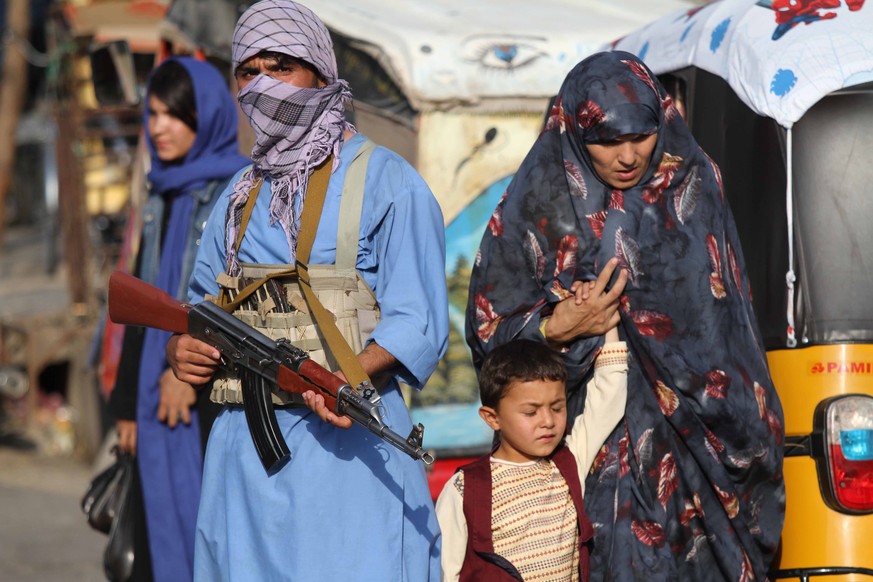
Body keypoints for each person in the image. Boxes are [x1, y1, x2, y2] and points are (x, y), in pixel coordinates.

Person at [465, 51, 785, 581]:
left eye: (641, 135)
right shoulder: (539, 202)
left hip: (699, 447)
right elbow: (489, 332)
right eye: (607, 140)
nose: (629, 155)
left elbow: (726, 320)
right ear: (573, 130)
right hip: (589, 446)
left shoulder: (694, 184)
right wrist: (555, 330)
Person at [163, 1, 449, 580]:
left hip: (350, 459)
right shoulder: (237, 198)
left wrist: (346, 377)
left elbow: (418, 320)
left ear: (320, 73)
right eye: (249, 71)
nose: (263, 85)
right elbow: (197, 310)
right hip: (244, 464)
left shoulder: (387, 181)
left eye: (281, 67)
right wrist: (182, 351)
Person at [109, 57, 249, 581]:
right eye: (154, 113)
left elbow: (231, 299)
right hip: (151, 388)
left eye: (175, 115)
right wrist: (127, 405)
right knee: (154, 524)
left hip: (205, 386)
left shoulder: (234, 193)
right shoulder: (158, 196)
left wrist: (187, 374)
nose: (159, 127)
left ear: (207, 115)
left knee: (207, 525)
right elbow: (138, 310)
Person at [436, 328, 628, 582]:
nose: (548, 421)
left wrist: (609, 327)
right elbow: (444, 570)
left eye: (557, 408)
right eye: (530, 412)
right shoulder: (465, 488)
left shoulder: (568, 462)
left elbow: (607, 402)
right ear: (492, 418)